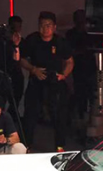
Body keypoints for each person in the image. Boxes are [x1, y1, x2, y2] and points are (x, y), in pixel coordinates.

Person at [20, 11, 74, 151]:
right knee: (31, 114)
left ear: (54, 27)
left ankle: (60, 146)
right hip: (36, 79)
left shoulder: (60, 42)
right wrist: (33, 69)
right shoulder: (32, 39)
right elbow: (22, 59)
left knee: (59, 115)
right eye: (42, 25)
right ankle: (27, 145)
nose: (45, 28)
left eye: (48, 25)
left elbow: (69, 62)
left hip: (55, 81)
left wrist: (63, 75)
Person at [66, 9, 97, 124]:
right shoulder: (71, 34)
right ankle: (81, 118)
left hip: (90, 68)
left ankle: (90, 118)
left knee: (92, 94)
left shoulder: (90, 33)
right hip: (78, 68)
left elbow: (95, 45)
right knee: (80, 95)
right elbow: (70, 51)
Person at [7, 15, 25, 107]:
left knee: (15, 102)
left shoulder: (22, 41)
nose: (17, 30)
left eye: (19, 27)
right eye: (14, 27)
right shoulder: (4, 41)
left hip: (17, 74)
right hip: (5, 72)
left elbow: (22, 59)